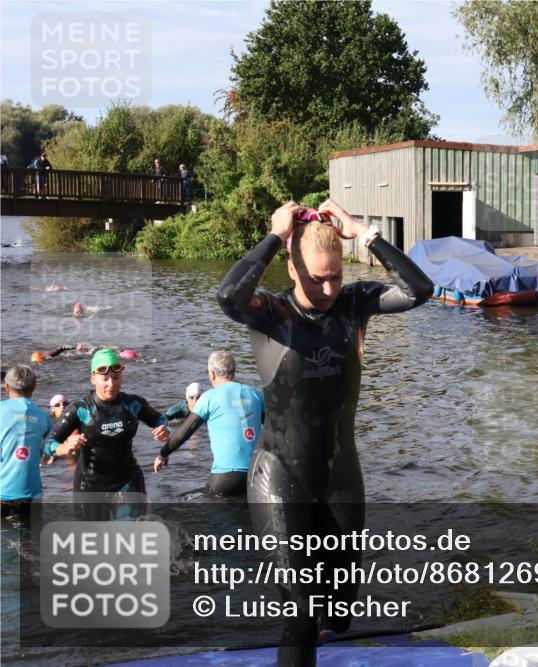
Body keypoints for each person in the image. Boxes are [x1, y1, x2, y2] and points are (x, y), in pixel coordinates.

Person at [217, 199, 432, 665]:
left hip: (339, 477)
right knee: (300, 611)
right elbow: (227, 296)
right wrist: (276, 236)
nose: (330, 287)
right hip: (280, 474)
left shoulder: (354, 305)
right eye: (317, 278)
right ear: (293, 269)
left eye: (335, 275)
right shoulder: (270, 312)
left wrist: (365, 232)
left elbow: (420, 289)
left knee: (337, 614)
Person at [44, 349, 169, 519]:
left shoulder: (133, 404)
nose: (111, 384)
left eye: (116, 378)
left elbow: (159, 419)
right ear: (93, 378)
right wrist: (63, 449)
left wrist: (163, 429)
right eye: (104, 379)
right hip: (89, 486)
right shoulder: (80, 408)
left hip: (127, 480)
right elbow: (46, 445)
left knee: (130, 535)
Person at [154, 351, 264, 496]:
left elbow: (183, 433)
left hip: (224, 476)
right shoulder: (256, 394)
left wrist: (163, 454)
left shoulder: (209, 397)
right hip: (256, 476)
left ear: (212, 374)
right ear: (233, 371)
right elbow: (276, 430)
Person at [1, 367, 75, 523]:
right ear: (34, 388)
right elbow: (50, 447)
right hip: (31, 495)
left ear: (6, 387)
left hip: (2, 493)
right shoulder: (43, 417)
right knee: (29, 542)